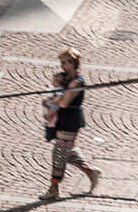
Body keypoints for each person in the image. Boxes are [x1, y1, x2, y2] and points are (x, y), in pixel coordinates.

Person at [41, 46, 100, 199]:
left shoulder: (76, 82)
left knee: (59, 153)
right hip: (62, 119)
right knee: (66, 151)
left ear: (73, 63)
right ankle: (91, 172)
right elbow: (57, 96)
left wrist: (51, 100)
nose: (62, 66)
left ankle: (53, 188)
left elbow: (63, 103)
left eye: (65, 63)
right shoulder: (65, 78)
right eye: (61, 62)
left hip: (70, 120)